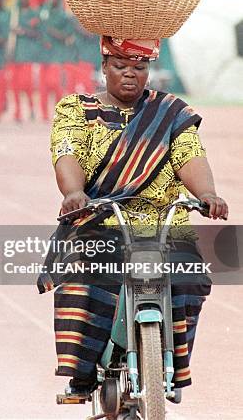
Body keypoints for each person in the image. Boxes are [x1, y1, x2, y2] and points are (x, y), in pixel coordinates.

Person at [38, 36, 228, 398]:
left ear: (149, 72)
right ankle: (82, 373)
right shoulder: (77, 109)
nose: (130, 75)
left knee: (191, 278)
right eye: (121, 67)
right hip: (98, 219)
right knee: (80, 276)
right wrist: (73, 193)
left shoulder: (171, 111)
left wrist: (207, 195)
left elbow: (189, 155)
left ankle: (171, 366)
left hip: (164, 225)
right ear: (104, 67)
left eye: (139, 68)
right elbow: (66, 153)